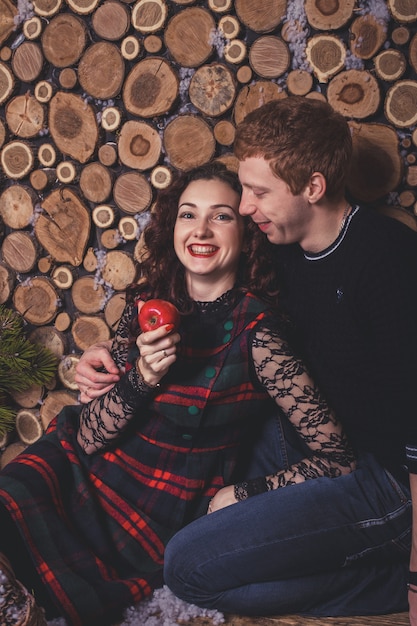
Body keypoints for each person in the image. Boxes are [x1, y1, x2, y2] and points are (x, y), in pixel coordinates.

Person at [0, 162, 355, 626]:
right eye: (189, 214)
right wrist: (141, 376)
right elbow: (89, 434)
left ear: (246, 230)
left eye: (221, 216)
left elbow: (338, 455)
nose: (201, 229)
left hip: (156, 504)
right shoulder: (150, 300)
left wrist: (248, 491)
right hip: (81, 462)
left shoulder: (259, 334)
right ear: (172, 226)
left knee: (69, 597)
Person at [161, 97, 417, 620]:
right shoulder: (275, 245)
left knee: (187, 570)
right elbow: (207, 299)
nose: (247, 207)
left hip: (380, 478)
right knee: (173, 510)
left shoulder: (390, 261)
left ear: (314, 187)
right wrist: (114, 352)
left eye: (258, 192)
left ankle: (382, 578)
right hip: (298, 440)